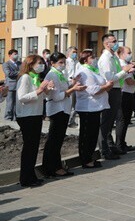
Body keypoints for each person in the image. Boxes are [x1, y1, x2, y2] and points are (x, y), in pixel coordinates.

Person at [42, 52, 85, 178]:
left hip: (63, 109)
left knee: (58, 140)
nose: (63, 65)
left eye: (64, 62)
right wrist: (73, 90)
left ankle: (56, 166)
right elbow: (56, 96)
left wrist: (73, 83)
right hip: (57, 110)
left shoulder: (59, 74)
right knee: (54, 141)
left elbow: (63, 88)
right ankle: (52, 168)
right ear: (52, 63)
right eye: (60, 62)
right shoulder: (52, 75)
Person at [16, 55, 54, 187]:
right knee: (29, 147)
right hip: (27, 117)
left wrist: (46, 90)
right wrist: (39, 90)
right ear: (31, 64)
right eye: (39, 63)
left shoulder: (35, 77)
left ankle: (31, 175)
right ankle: (26, 178)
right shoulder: (26, 77)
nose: (42, 65)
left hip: (36, 115)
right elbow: (22, 97)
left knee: (33, 147)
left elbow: (40, 96)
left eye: (43, 63)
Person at [75, 50, 114, 170]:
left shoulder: (93, 70)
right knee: (87, 135)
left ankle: (90, 157)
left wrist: (106, 86)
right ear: (85, 59)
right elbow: (92, 89)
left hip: (95, 107)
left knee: (92, 135)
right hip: (87, 107)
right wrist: (106, 87)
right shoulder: (84, 71)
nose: (95, 59)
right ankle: (85, 160)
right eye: (92, 57)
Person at [98, 33, 134, 160]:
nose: (116, 43)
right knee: (106, 121)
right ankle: (104, 149)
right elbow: (110, 78)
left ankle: (110, 146)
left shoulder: (113, 57)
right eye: (113, 41)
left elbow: (116, 75)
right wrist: (125, 71)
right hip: (111, 90)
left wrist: (125, 71)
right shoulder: (106, 58)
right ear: (106, 44)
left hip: (117, 89)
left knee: (110, 121)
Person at [116, 46, 135, 153]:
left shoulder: (127, 64)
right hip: (124, 94)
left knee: (126, 120)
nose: (130, 54)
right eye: (128, 52)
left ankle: (122, 143)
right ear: (122, 53)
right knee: (122, 120)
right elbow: (129, 82)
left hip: (129, 93)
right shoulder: (122, 64)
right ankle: (119, 145)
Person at [3, 49, 20, 120]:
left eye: (17, 54)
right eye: (14, 54)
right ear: (10, 55)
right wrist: (19, 72)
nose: (16, 55)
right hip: (10, 86)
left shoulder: (20, 63)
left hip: (19, 85)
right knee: (10, 103)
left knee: (17, 103)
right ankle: (8, 117)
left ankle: (16, 117)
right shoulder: (6, 64)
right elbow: (8, 73)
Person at [65, 46, 79, 128]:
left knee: (75, 104)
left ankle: (72, 120)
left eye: (76, 52)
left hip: (76, 83)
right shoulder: (66, 62)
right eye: (73, 52)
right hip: (70, 83)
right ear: (69, 53)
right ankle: (68, 121)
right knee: (70, 103)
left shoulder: (77, 62)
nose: (75, 54)